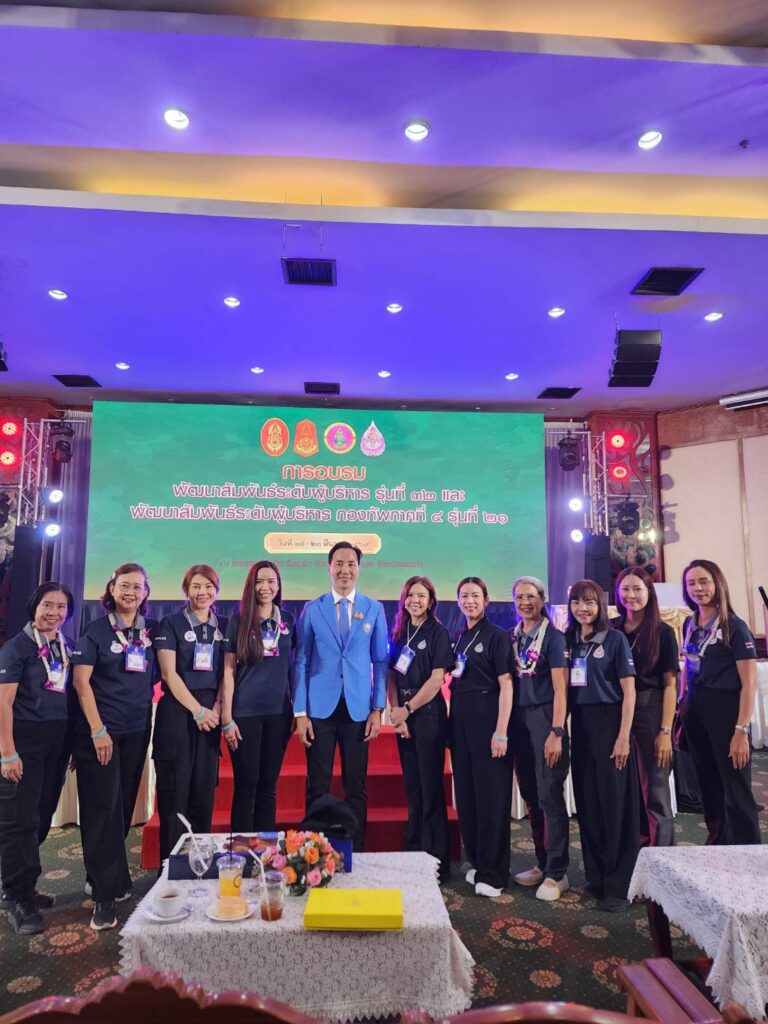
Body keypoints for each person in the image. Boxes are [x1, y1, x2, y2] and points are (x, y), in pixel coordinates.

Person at [72, 562, 159, 931]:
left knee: (121, 808)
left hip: (136, 730)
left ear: (145, 593)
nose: (130, 592)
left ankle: (104, 875)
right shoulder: (95, 630)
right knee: (102, 809)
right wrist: (97, 729)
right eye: (124, 585)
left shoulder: (150, 632)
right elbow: (81, 683)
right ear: (111, 588)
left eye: (137, 586)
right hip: (101, 734)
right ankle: (103, 896)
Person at [294, 541, 388, 851]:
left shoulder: (374, 608)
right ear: (329, 567)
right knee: (317, 785)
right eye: (339, 563)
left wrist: (377, 708)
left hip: (359, 709)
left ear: (359, 569)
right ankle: (311, 853)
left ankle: (355, 852)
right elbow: (301, 661)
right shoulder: (313, 608)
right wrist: (300, 712)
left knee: (356, 786)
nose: (345, 570)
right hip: (319, 709)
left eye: (351, 564)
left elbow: (380, 661)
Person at [0, 583, 75, 934]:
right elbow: (3, 703)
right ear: (34, 606)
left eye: (61, 607)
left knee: (40, 817)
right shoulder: (17, 647)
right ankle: (17, 898)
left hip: (56, 743)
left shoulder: (64, 645)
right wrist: (7, 753)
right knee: (19, 822)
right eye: (48, 605)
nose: (54, 613)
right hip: (24, 744)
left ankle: (24, 886)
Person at [566, 579, 639, 911]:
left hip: (611, 725)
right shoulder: (569, 641)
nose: (583, 608)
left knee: (615, 805)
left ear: (601, 606)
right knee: (589, 802)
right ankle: (597, 877)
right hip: (582, 726)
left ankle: (620, 885)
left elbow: (629, 692)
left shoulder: (615, 639)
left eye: (590, 602)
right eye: (577, 602)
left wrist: (623, 737)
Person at [679, 559, 761, 846]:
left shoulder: (734, 626)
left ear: (717, 584)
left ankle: (748, 851)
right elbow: (688, 666)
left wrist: (741, 731)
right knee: (707, 782)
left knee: (735, 786)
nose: (698, 588)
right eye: (691, 583)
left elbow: (749, 683)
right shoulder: (690, 622)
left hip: (725, 711)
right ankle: (718, 842)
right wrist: (683, 704)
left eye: (704, 581)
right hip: (695, 708)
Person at [153, 564, 227, 862]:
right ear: (186, 589)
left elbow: (227, 672)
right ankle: (171, 868)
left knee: (203, 792)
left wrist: (218, 708)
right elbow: (168, 674)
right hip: (178, 712)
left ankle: (200, 864)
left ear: (216, 590)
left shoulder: (223, 626)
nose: (202, 592)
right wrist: (197, 711)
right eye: (196, 586)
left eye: (208, 586)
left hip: (211, 715)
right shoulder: (170, 623)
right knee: (175, 794)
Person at [449, 576, 513, 898]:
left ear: (486, 600)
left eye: (475, 595)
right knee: (468, 795)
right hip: (461, 721)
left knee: (491, 798)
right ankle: (477, 860)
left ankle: (494, 872)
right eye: (464, 596)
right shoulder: (459, 636)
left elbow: (507, 685)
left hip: (488, 720)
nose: (469, 601)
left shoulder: (497, 636)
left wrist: (501, 731)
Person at [387, 576, 454, 881]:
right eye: (411, 595)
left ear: (430, 601)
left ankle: (436, 859)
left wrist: (408, 709)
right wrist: (396, 714)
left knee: (430, 788)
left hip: (427, 714)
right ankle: (414, 852)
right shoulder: (400, 632)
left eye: (421, 596)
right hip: (404, 714)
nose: (415, 600)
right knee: (413, 788)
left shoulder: (437, 632)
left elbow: (437, 680)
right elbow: (391, 675)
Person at [220, 561, 294, 832]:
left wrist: (297, 709)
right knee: (246, 785)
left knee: (268, 786)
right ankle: (240, 850)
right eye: (259, 581)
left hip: (279, 714)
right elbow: (228, 671)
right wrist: (227, 718)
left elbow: (293, 668)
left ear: (278, 585)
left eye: (271, 581)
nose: (265, 587)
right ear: (251, 585)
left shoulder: (288, 620)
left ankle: (265, 849)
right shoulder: (239, 621)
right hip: (245, 714)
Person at [508, 576, 570, 901]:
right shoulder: (514, 636)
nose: (525, 602)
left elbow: (561, 688)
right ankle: (542, 862)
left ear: (542, 599)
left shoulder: (554, 638)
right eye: (519, 597)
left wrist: (557, 731)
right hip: (519, 722)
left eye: (531, 596)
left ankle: (558, 873)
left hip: (545, 720)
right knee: (531, 795)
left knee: (549, 796)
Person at [614, 567, 678, 847]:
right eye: (625, 589)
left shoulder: (662, 632)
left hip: (650, 710)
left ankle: (662, 856)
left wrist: (665, 731)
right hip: (617, 713)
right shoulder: (612, 628)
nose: (631, 595)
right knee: (628, 788)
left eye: (637, 589)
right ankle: (637, 852)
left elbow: (670, 686)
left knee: (655, 788)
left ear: (649, 592)